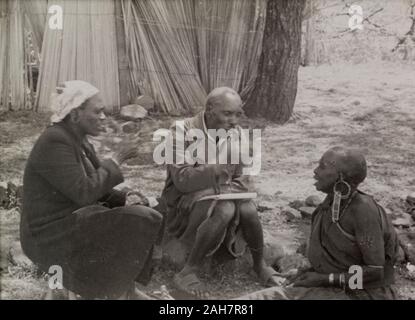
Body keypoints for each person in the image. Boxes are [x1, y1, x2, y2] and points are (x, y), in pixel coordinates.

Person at [20, 80, 162, 299]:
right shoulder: (54, 141)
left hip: (72, 223)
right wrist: (117, 158)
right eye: (98, 111)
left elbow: (96, 185)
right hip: (48, 234)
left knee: (150, 210)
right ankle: (114, 292)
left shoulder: (78, 139)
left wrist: (126, 197)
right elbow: (84, 192)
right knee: (142, 218)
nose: (103, 117)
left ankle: (122, 289)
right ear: (75, 114)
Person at [161, 87, 281, 298]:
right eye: (227, 113)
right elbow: (182, 179)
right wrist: (216, 170)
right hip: (182, 203)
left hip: (211, 196)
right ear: (209, 110)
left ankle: (259, 264)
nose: (234, 120)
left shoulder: (237, 134)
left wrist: (206, 190)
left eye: (238, 114)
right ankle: (189, 270)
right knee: (225, 209)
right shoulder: (181, 131)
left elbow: (245, 180)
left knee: (248, 208)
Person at [237, 146, 399, 300]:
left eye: (322, 167)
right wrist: (306, 272)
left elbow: (376, 272)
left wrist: (324, 279)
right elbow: (340, 261)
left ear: (340, 177)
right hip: (337, 289)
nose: (315, 171)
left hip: (365, 295)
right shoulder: (330, 204)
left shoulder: (363, 209)